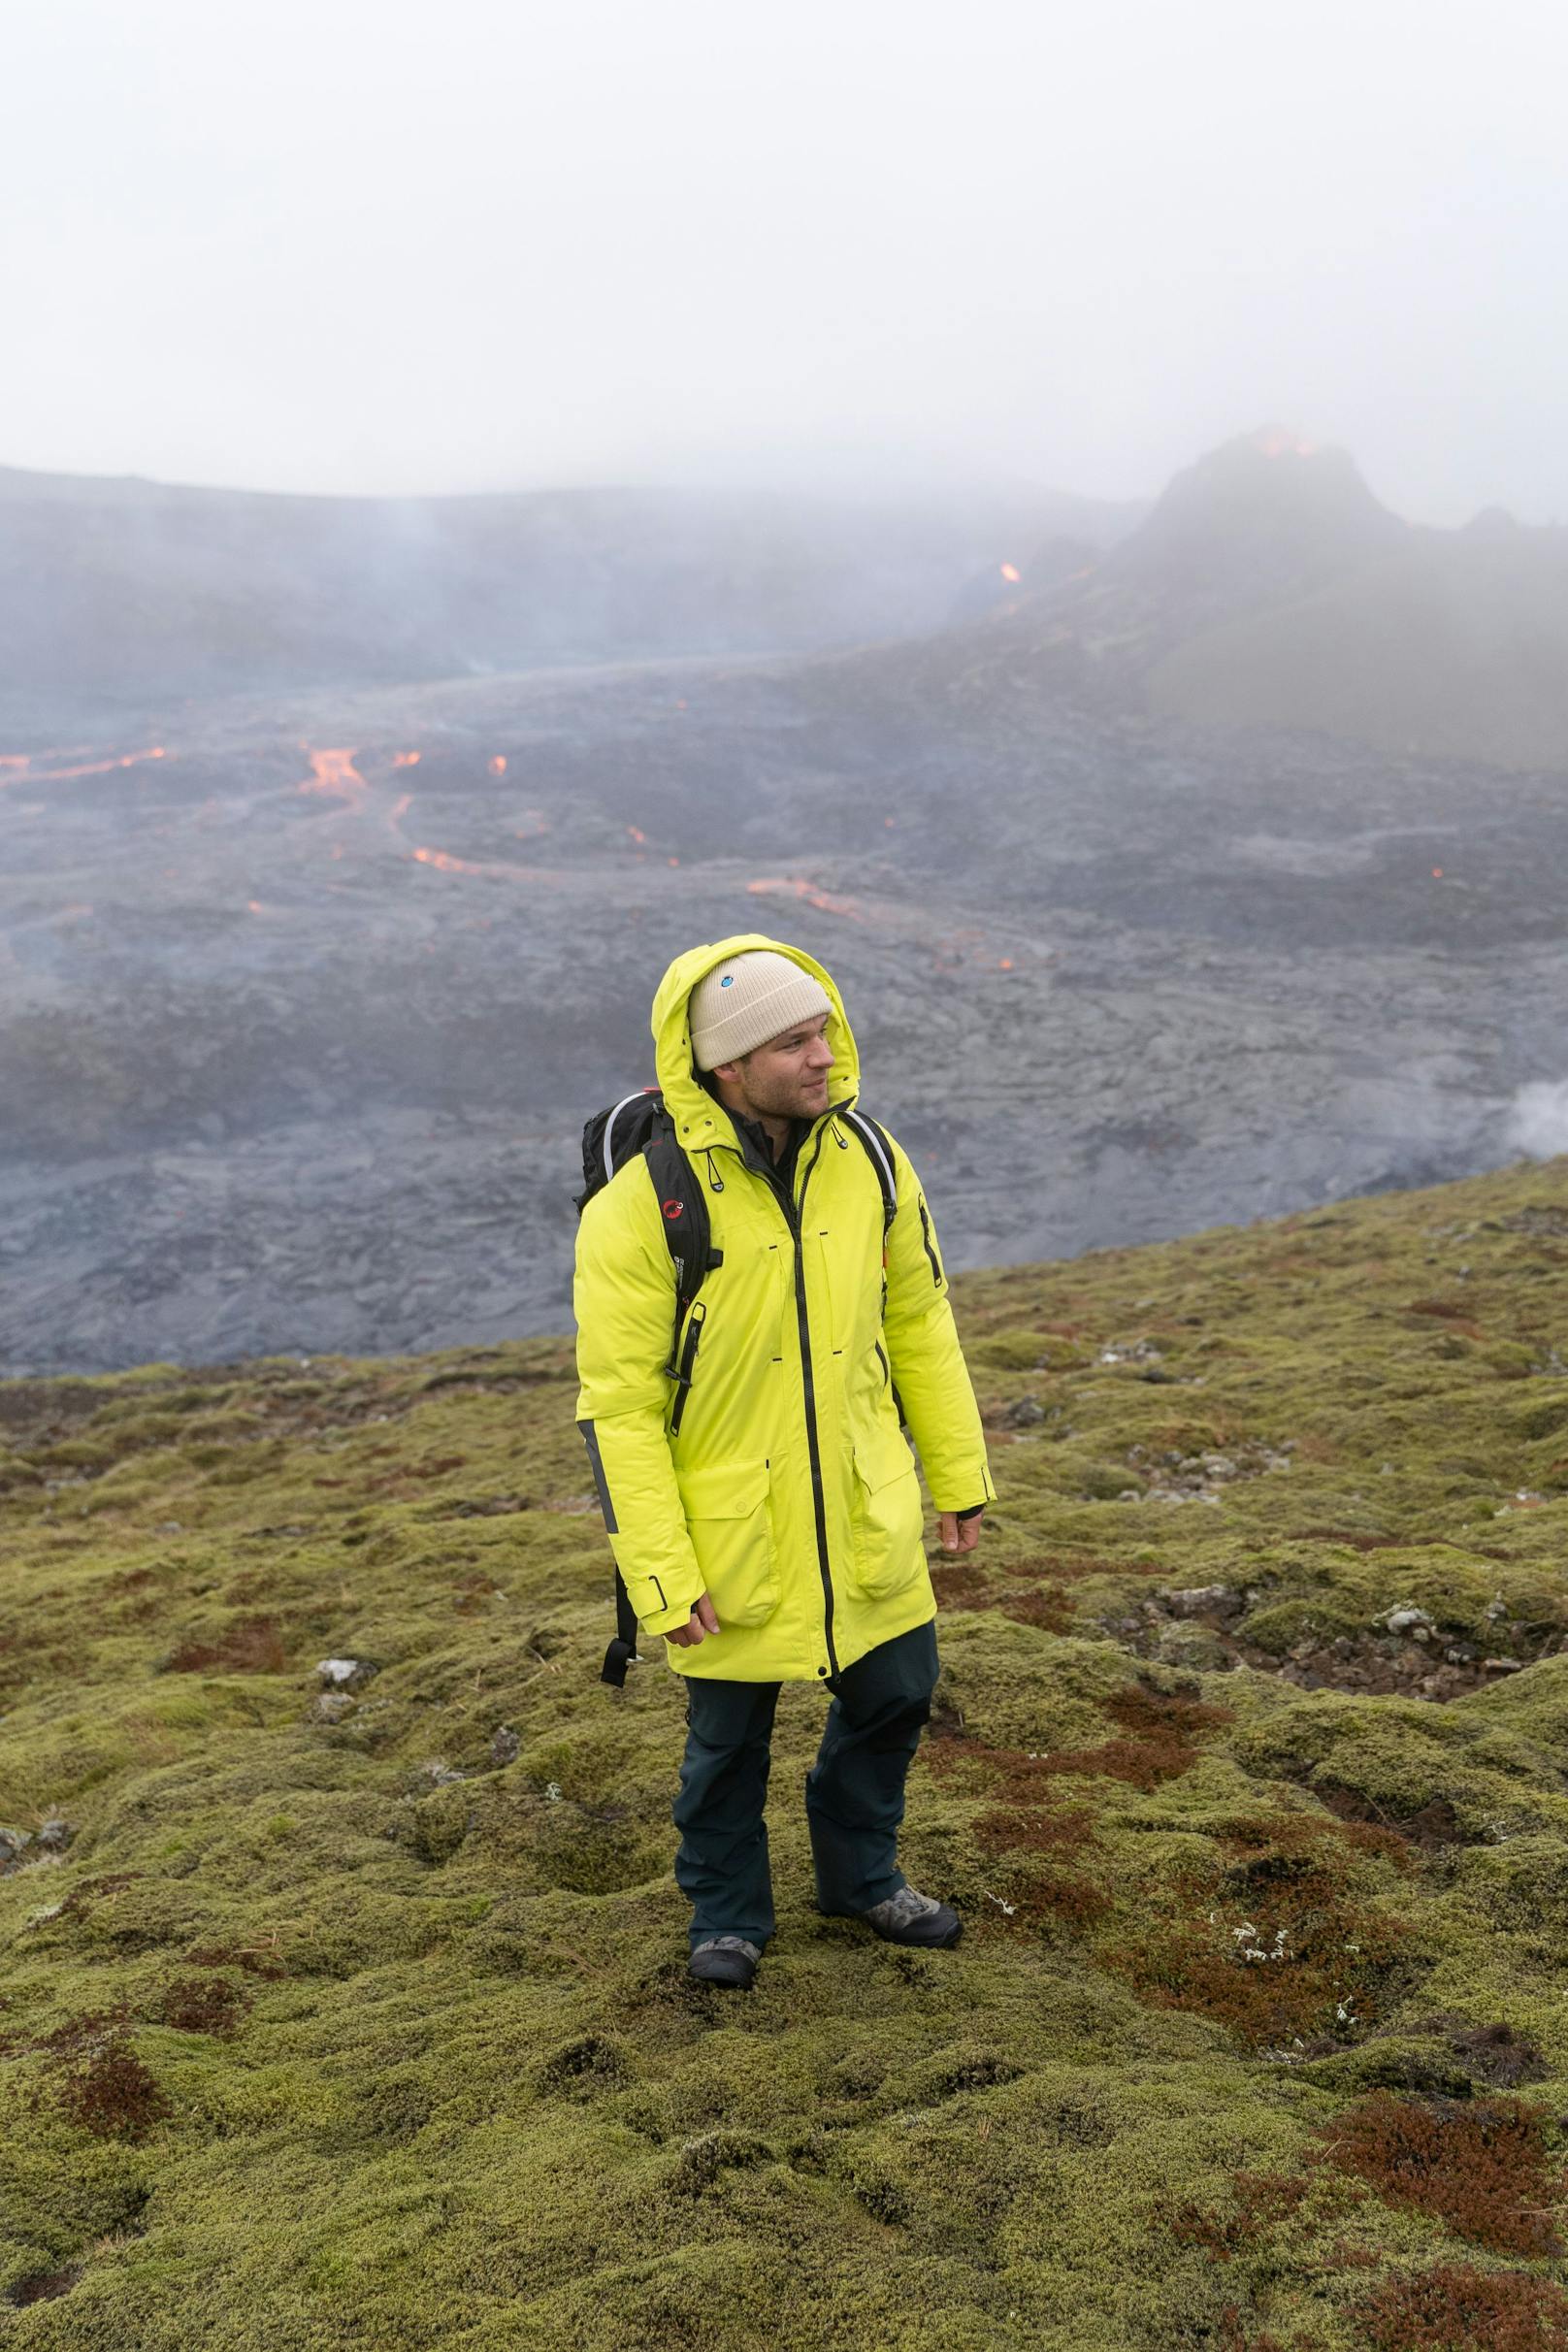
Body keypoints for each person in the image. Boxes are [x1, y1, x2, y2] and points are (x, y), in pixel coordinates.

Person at [572, 936, 995, 1986]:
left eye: (822, 1031)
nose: (823, 1056)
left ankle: (859, 1878)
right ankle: (725, 1915)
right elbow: (618, 1411)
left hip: (861, 1506)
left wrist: (957, 1473)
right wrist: (660, 1575)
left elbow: (919, 1322)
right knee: (726, 1744)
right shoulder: (642, 1204)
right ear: (726, 1066)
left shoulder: (874, 1162)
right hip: (728, 1532)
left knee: (895, 1694)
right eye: (791, 1041)